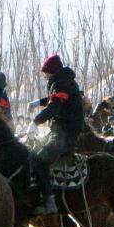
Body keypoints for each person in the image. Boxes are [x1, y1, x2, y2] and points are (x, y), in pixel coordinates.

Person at [26, 54, 85, 215]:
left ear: (51, 71)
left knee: (38, 160)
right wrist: (39, 102)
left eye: (45, 72)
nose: (44, 76)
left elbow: (55, 106)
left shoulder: (61, 83)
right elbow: (55, 99)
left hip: (65, 134)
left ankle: (48, 200)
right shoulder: (63, 81)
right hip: (60, 131)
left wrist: (36, 121)